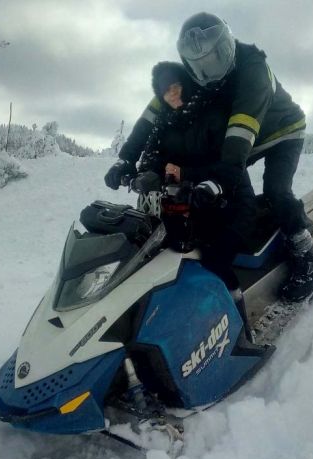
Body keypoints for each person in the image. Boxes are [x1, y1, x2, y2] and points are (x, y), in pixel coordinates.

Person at [105, 13, 313, 302]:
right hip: (242, 136)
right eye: (199, 65)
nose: (210, 70)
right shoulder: (194, 78)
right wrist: (126, 159)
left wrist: (218, 179)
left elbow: (238, 138)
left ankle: (306, 260)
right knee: (224, 191)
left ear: (228, 43)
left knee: (276, 191)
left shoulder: (252, 70)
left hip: (281, 132)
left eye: (216, 57)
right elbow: (150, 116)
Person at [108, 61, 258, 337]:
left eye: (176, 86)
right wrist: (137, 173)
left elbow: (230, 167)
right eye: (166, 91)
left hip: (233, 201)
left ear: (186, 84)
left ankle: (241, 329)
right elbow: (152, 156)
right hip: (196, 206)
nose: (172, 95)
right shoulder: (164, 123)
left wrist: (191, 175)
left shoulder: (213, 115)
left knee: (215, 259)